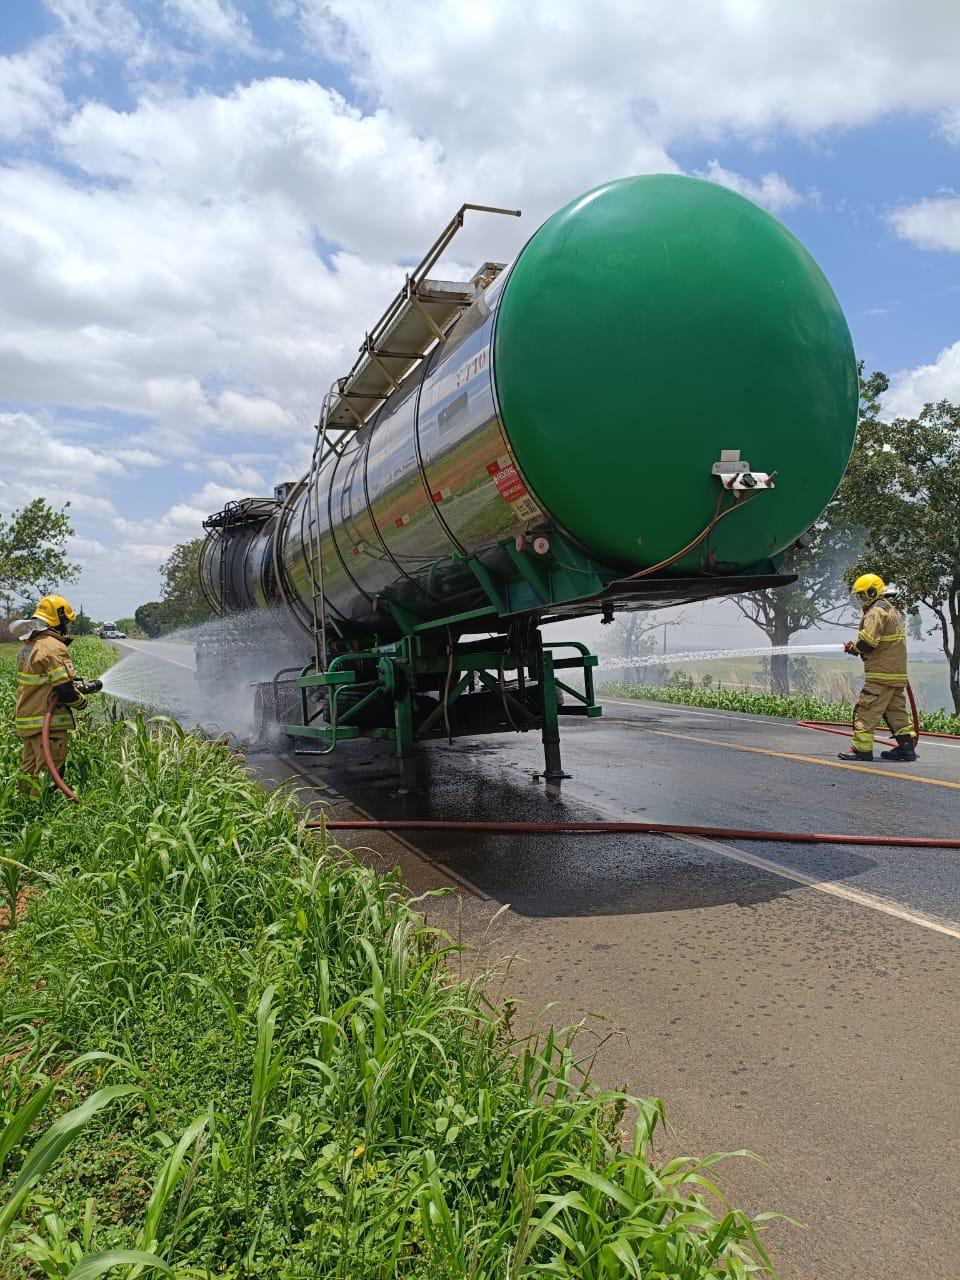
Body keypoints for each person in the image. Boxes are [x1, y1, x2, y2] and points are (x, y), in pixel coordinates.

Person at [10, 595, 103, 792]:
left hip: (29, 720)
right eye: (67, 621)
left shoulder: (30, 645)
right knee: (48, 775)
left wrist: (76, 684)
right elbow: (64, 691)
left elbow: (45, 682)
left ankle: (25, 811)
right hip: (47, 725)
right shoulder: (53, 647)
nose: (67, 626)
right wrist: (82, 701)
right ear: (59, 619)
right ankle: (43, 815)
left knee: (30, 772)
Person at [838, 574, 917, 763]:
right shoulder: (892, 610)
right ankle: (906, 749)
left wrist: (853, 648)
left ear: (873, 592)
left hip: (880, 673)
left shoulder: (876, 611)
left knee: (866, 709)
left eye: (863, 595)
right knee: (895, 711)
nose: (861, 600)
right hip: (896, 673)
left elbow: (868, 641)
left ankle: (861, 749)